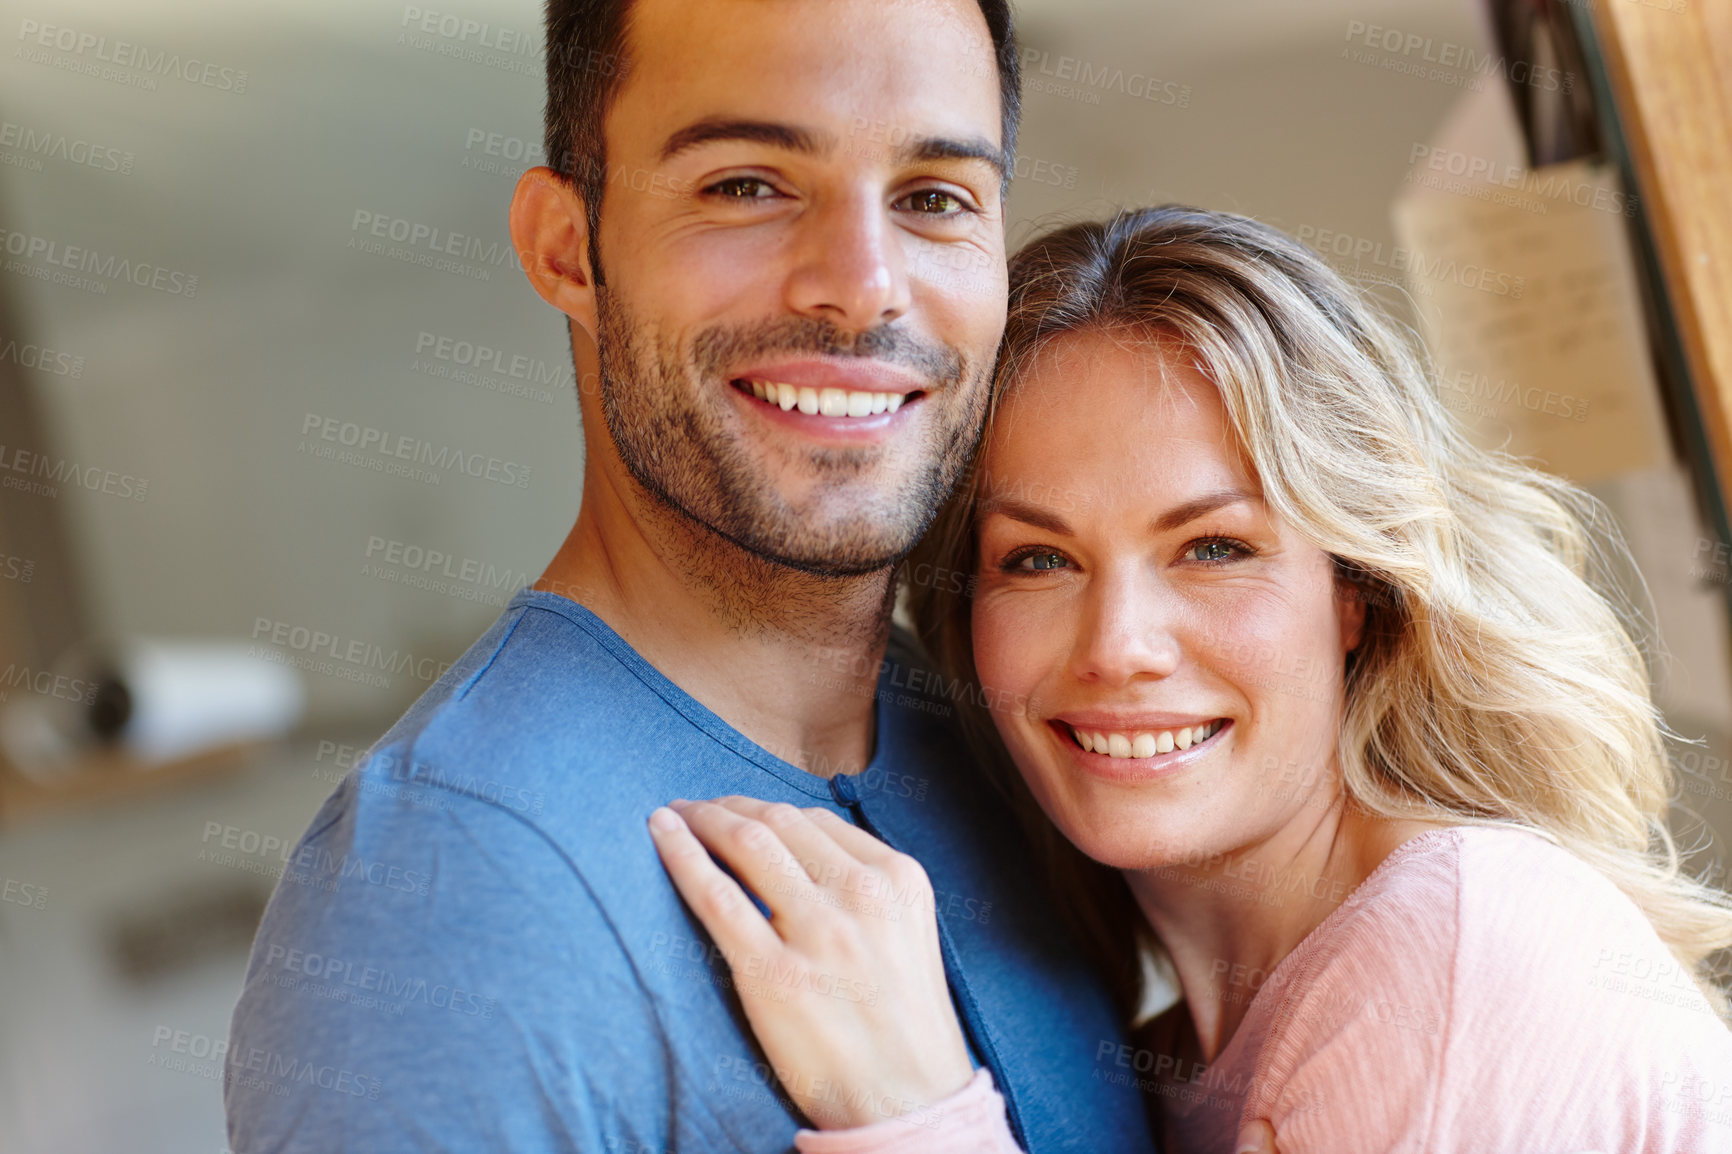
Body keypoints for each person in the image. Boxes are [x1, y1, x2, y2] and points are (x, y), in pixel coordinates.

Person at [223, 2, 1157, 1151]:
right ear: (568, 247)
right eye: (747, 185)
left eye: (932, 198)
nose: (862, 287)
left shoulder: (1000, 736)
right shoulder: (447, 890)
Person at [652, 206, 1732, 1153]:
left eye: (1212, 547)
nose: (1118, 644)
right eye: (1036, 558)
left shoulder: (1456, 952)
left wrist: (912, 1109)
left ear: (1352, 589)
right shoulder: (1171, 1057)